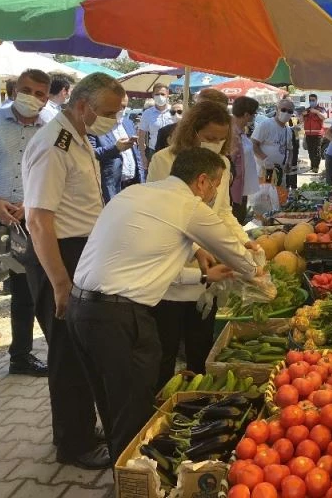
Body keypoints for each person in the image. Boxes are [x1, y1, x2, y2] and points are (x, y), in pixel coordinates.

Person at [68, 147, 262, 458]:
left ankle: (121, 467)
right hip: (121, 316)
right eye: (215, 185)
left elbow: (148, 266)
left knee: (111, 400)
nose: (215, 193)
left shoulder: (135, 193)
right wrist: (258, 269)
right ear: (202, 181)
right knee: (134, 406)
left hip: (81, 309)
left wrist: (203, 276)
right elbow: (238, 257)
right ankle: (132, 475)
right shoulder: (190, 206)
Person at [21, 72, 125, 470]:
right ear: (82, 106)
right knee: (67, 353)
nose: (114, 119)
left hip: (80, 252)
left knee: (81, 348)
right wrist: (60, 283)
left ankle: (79, 426)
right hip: (59, 256)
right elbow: (38, 221)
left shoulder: (77, 137)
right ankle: (73, 443)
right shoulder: (54, 144)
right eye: (109, 112)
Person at [148, 100, 261, 385]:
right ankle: (161, 400)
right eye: (209, 137)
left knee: (201, 342)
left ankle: (197, 395)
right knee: (165, 347)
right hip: (172, 268)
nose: (214, 143)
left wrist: (242, 241)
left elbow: (222, 211)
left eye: (220, 139)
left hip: (208, 270)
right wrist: (198, 249)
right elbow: (162, 215)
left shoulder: (222, 164)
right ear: (192, 131)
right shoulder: (163, 160)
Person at [0, 69, 51, 377]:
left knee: (26, 290)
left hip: (26, 220)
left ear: (46, 99)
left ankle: (21, 356)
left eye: (39, 93)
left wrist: (29, 203)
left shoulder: (49, 131)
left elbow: (47, 174)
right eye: (26, 90)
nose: (32, 97)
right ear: (15, 90)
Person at [88, 92, 144, 203]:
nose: (121, 109)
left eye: (124, 106)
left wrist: (141, 178)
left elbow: (136, 154)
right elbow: (91, 153)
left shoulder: (128, 123)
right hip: (112, 186)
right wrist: (116, 148)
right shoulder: (94, 126)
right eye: (119, 105)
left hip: (133, 184)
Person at [154, 89, 228, 153]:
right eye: (210, 138)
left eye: (221, 139)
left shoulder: (226, 133)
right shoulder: (166, 132)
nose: (217, 143)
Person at [230, 96, 260, 223]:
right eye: (254, 114)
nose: (254, 117)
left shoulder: (241, 131)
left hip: (243, 188)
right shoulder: (233, 134)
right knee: (236, 219)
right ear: (246, 115)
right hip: (235, 189)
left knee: (241, 217)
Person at [252, 98, 295, 186]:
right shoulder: (266, 125)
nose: (286, 113)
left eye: (290, 111)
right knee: (265, 193)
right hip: (264, 173)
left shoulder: (288, 130)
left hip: (279, 174)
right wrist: (265, 159)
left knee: (278, 194)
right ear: (276, 109)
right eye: (283, 110)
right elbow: (253, 144)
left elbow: (290, 149)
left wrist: (289, 162)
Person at [138, 83, 173, 164]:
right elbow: (141, 136)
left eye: (162, 94)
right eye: (157, 94)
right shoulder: (147, 113)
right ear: (153, 95)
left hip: (172, 152)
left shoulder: (174, 112)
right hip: (154, 152)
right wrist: (143, 156)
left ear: (167, 94)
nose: (160, 96)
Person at [303, 93, 327, 173]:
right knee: (310, 151)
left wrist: (316, 112)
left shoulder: (321, 109)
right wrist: (302, 114)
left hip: (318, 134)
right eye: (310, 100)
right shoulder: (307, 110)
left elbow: (324, 117)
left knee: (316, 151)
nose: (311, 101)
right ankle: (312, 165)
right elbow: (301, 120)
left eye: (313, 100)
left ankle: (316, 167)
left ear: (316, 100)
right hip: (308, 134)